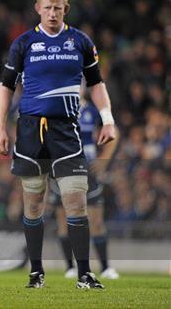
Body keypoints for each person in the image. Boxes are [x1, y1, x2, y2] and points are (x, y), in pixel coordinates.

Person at [0, 0, 116, 289]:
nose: (52, 13)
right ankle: (36, 272)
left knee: (76, 201)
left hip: (66, 131)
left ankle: (85, 273)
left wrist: (107, 119)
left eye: (57, 8)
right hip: (31, 131)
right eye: (47, 7)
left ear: (65, 9)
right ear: (38, 9)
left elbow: (97, 84)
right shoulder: (23, 43)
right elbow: (5, 87)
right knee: (34, 204)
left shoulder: (80, 41)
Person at [48, 92, 120, 280]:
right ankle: (70, 268)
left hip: (89, 171)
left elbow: (114, 132)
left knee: (96, 221)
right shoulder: (57, 107)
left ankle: (105, 268)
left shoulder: (93, 109)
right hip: (64, 170)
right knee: (64, 221)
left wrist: (104, 160)